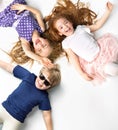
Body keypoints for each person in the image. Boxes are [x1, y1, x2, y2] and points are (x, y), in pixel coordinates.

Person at [45, 0, 118, 84]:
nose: (65, 27)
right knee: (112, 69)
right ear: (60, 33)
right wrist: (82, 73)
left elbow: (97, 26)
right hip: (95, 62)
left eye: (66, 22)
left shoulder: (81, 28)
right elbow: (73, 59)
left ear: (71, 22)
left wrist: (107, 11)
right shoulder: (66, 43)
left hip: (103, 50)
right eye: (61, 27)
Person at [0, 58, 61, 130]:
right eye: (42, 77)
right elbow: (9, 67)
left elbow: (47, 115)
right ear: (40, 73)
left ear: (50, 87)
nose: (41, 82)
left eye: (46, 83)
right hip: (3, 109)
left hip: (14, 120)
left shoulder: (43, 97)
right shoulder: (29, 76)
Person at [0, 0, 53, 66]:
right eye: (44, 45)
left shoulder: (25, 41)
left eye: (39, 50)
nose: (40, 45)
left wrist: (40, 59)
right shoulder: (41, 29)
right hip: (19, 7)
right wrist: (25, 7)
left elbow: (27, 52)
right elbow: (37, 13)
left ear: (35, 50)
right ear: (47, 40)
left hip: (7, 17)